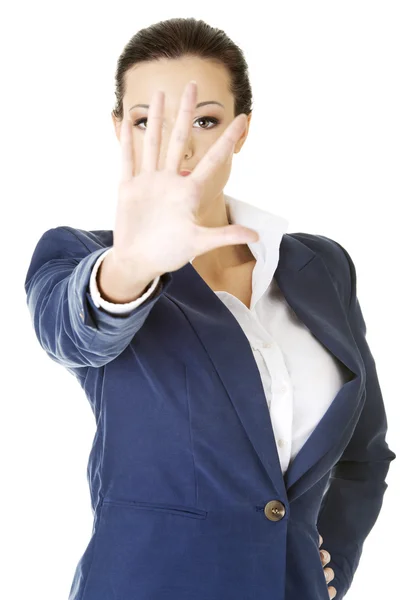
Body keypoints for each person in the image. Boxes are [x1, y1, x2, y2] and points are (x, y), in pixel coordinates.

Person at [24, 17, 396, 600]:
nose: (180, 146)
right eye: (147, 122)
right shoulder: (84, 257)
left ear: (240, 130)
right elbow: (72, 332)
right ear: (118, 127)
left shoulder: (322, 268)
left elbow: (363, 454)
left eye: (204, 120)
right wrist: (132, 267)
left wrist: (333, 562)